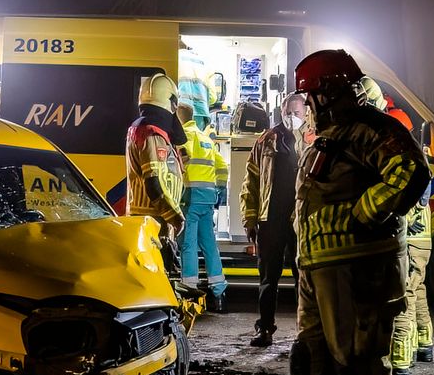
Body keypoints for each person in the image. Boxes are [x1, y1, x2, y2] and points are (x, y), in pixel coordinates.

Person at [255, 49, 430, 375]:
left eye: (311, 95)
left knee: (361, 369)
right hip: (318, 271)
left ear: (330, 91)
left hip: (360, 270)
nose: (307, 105)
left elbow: (411, 170)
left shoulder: (373, 128)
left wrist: (364, 213)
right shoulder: (327, 137)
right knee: (311, 366)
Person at [239, 92, 307, 347]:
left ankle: (305, 333)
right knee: (268, 278)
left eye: (297, 113)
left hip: (300, 220)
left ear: (306, 113)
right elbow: (251, 181)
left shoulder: (313, 138)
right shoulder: (267, 140)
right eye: (288, 113)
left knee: (304, 279)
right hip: (271, 219)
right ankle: (264, 328)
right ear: (281, 112)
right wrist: (249, 218)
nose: (292, 118)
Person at [177, 102, 229, 302]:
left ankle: (189, 290)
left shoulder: (186, 135)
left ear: (180, 118)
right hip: (207, 198)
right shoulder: (205, 138)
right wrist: (220, 188)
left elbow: (183, 155)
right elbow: (222, 165)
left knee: (188, 245)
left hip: (191, 196)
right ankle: (219, 291)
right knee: (208, 243)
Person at [126, 73, 187, 246]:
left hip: (152, 216)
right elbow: (154, 181)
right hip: (154, 218)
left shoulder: (144, 128)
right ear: (170, 102)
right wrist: (174, 216)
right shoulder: (152, 133)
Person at [391, 189, 434, 375]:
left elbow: (402, 206)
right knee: (418, 290)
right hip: (421, 242)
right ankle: (424, 346)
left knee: (404, 296)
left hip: (409, 241)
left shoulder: (405, 168)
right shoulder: (422, 169)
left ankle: (400, 364)